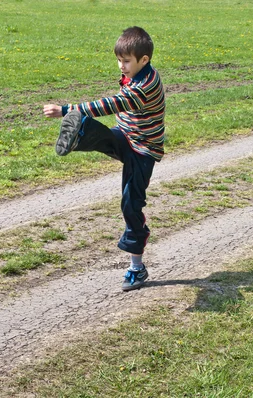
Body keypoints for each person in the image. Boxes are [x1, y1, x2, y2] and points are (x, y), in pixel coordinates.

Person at [43, 26, 165, 291]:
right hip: (126, 135)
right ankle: (79, 132)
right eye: (119, 60)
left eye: (126, 61)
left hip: (144, 149)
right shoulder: (135, 72)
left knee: (130, 205)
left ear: (144, 60)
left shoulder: (145, 85)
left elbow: (110, 105)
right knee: (102, 135)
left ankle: (137, 268)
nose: (121, 66)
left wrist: (66, 109)